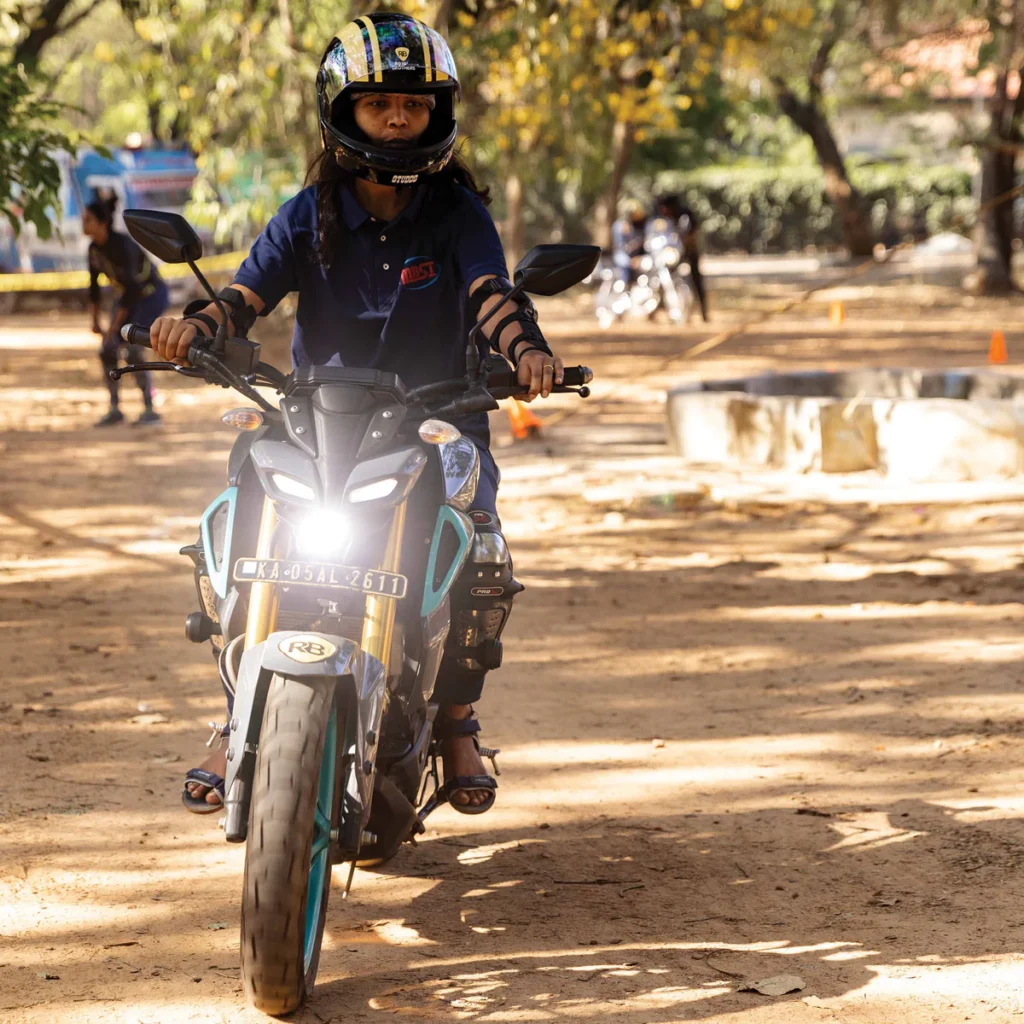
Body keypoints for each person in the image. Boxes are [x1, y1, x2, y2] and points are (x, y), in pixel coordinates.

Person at [147, 11, 562, 816]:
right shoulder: (310, 212)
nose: (398, 119)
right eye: (380, 105)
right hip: (315, 420)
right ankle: (236, 709)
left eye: (413, 105)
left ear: (438, 113)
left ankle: (453, 718)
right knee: (236, 510)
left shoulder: (457, 214)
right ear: (345, 109)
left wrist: (526, 349)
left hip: (435, 417)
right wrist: (193, 328)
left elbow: (490, 294)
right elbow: (242, 295)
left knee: (479, 548)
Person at [83, 196, 166, 426]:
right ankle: (114, 408)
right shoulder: (93, 250)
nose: (84, 224)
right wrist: (95, 321)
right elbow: (94, 288)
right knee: (107, 349)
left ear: (102, 223)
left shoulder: (123, 246)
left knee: (133, 350)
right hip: (129, 299)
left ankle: (150, 409)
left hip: (150, 296)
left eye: (88, 220)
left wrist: (113, 327)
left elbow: (132, 290)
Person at [654, 192, 709, 322]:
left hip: (689, 252)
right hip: (672, 252)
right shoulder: (663, 218)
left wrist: (683, 240)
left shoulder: (685, 215)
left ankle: (703, 311)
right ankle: (663, 309)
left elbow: (690, 231)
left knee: (696, 280)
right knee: (662, 277)